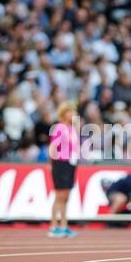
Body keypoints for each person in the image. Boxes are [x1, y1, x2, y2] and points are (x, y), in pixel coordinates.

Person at [48, 102, 80, 237]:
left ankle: (64, 225)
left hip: (70, 164)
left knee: (66, 196)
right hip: (60, 163)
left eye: (74, 111)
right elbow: (53, 147)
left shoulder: (72, 128)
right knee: (59, 196)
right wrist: (52, 164)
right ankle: (54, 226)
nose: (73, 114)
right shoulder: (60, 128)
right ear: (63, 113)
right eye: (70, 111)